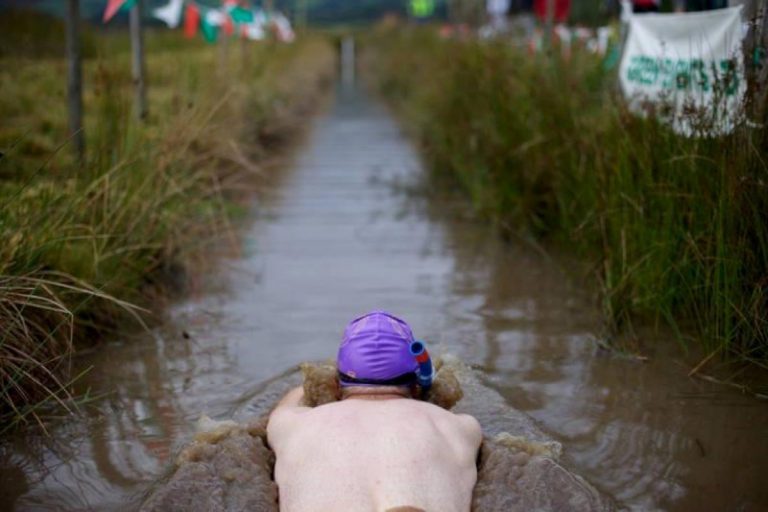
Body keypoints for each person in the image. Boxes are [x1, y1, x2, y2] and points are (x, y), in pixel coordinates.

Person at [267, 311, 483, 512]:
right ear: (417, 383)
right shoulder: (460, 427)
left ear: (336, 383)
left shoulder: (293, 425)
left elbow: (293, 398)